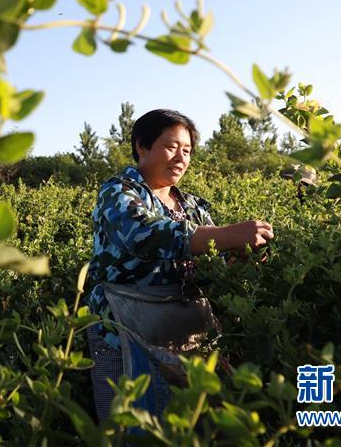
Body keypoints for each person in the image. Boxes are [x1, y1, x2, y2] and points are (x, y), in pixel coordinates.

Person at [86, 108, 274, 423]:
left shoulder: (193, 206)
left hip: (182, 327)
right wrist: (228, 234)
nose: (181, 158)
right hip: (121, 328)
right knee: (128, 426)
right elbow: (145, 235)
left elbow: (214, 260)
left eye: (186, 151)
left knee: (188, 421)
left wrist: (240, 257)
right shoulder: (118, 192)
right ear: (142, 147)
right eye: (171, 147)